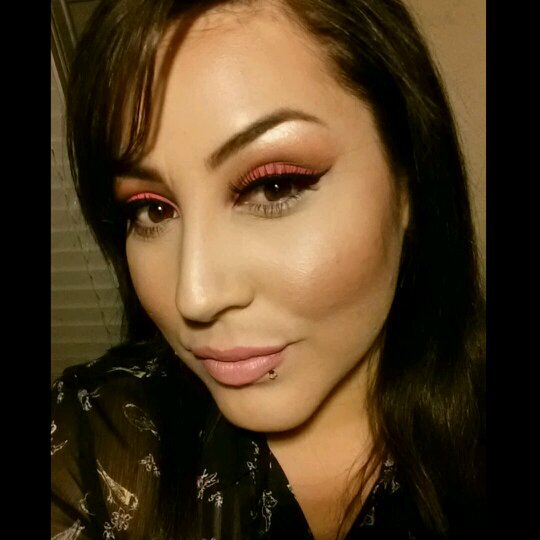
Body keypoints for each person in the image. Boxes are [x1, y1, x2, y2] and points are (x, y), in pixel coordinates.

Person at [51, 0, 486, 538]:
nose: (195, 296)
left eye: (274, 187)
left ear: (408, 182)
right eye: (152, 209)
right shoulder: (90, 439)